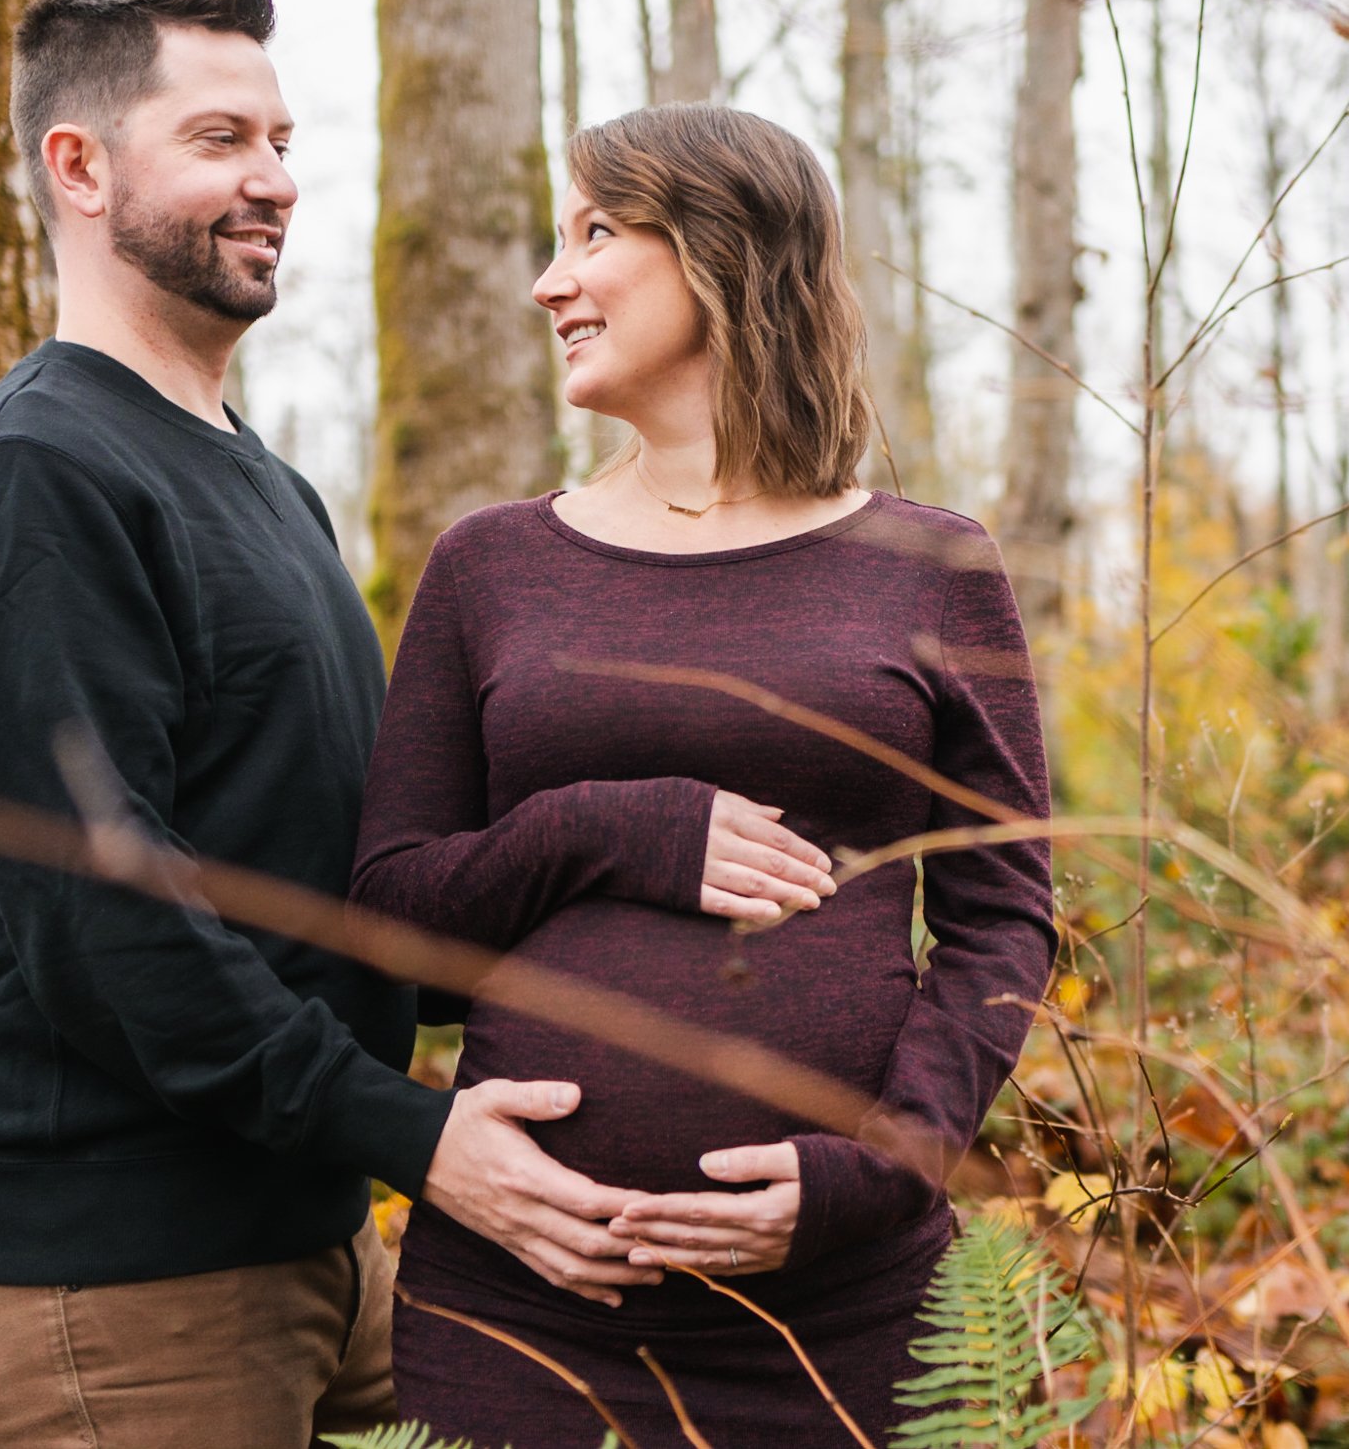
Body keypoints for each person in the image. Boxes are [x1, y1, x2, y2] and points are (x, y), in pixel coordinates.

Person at [351, 102, 1058, 1445]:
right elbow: (396, 931)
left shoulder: (933, 564)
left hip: (846, 1314)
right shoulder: (490, 566)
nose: (549, 281)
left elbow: (1003, 919)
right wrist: (615, 827)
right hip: (525, 1310)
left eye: (598, 233)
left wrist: (878, 1170)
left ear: (728, 253)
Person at [0, 0, 489, 1449]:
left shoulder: (258, 474)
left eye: (282, 141)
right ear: (78, 167)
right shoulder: (38, 479)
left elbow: (308, 868)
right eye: (221, 138)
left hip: (298, 1240)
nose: (274, 180)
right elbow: (114, 924)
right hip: (112, 1289)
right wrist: (426, 1138)